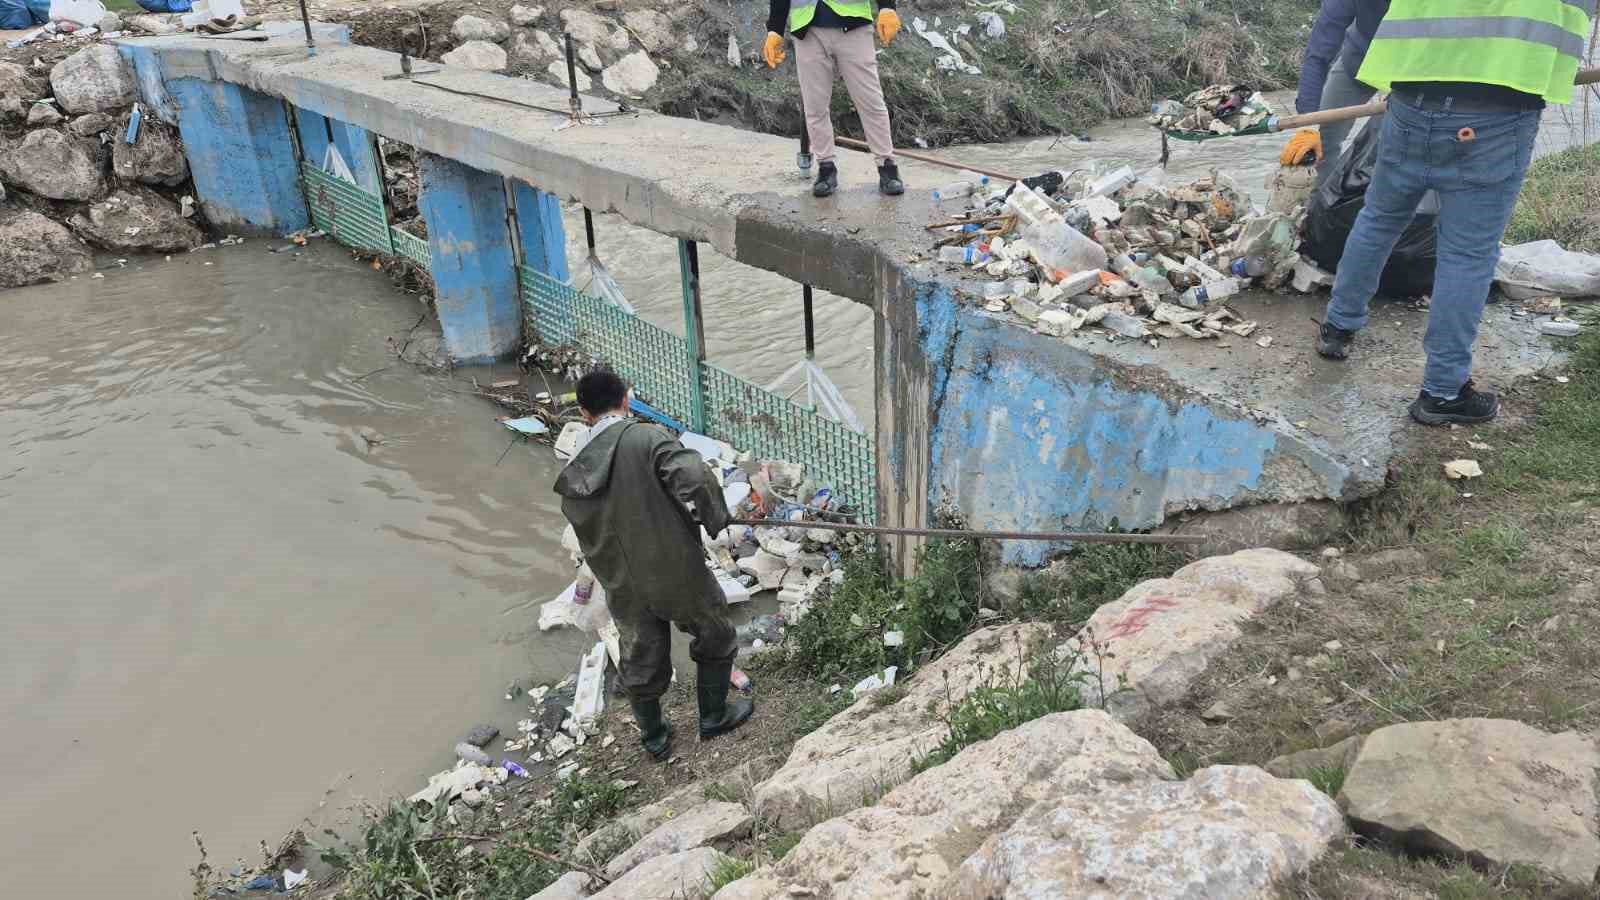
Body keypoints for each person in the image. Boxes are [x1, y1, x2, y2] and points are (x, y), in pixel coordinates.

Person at [1315, 0, 1589, 426]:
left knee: (1379, 218)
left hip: (1411, 97)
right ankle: (1443, 391)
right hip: (1498, 111)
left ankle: (1337, 327)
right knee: (1468, 254)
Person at [553, 371, 752, 760]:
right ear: (625, 401)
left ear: (584, 412)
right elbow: (693, 474)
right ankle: (713, 717)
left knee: (639, 654)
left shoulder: (574, 469)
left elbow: (584, 530)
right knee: (714, 634)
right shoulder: (645, 437)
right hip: (673, 566)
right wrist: (714, 517)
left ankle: (655, 738)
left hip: (621, 579)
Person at [763, 0, 904, 198]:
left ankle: (887, 165)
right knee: (815, 105)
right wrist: (775, 29)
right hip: (808, 30)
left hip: (854, 25)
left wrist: (887, 7)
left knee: (870, 100)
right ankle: (826, 167)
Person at [1280, 0, 1390, 182]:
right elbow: (1318, 54)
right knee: (1321, 140)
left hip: (1414, 74)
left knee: (1395, 144)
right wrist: (1308, 123)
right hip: (1358, 63)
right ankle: (1314, 204)